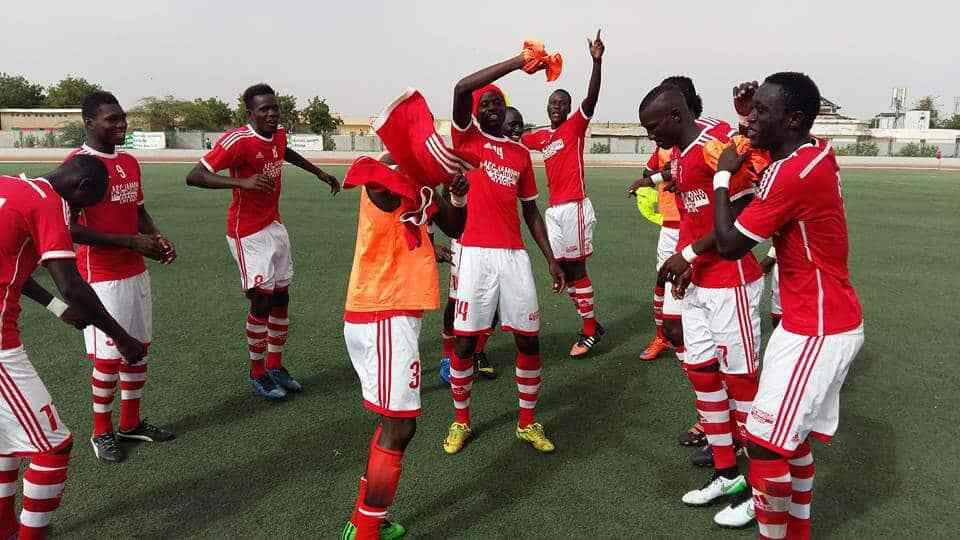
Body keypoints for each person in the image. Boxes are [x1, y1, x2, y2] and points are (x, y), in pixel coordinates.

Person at [712, 73, 864, 540]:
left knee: (763, 445)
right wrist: (751, 123)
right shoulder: (813, 153)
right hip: (807, 322)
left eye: (762, 111)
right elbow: (776, 155)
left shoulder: (790, 175)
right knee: (790, 443)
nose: (752, 117)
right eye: (751, 109)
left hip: (819, 329)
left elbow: (731, 244)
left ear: (793, 119)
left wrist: (722, 174)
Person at [1, 157, 147, 539]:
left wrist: (55, 308)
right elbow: (72, 284)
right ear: (81, 187)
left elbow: (14, 267)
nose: (78, 214)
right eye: (84, 205)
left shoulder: (9, 186)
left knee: (6, 444)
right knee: (53, 447)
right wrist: (123, 337)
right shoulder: (48, 201)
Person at [640, 84, 763, 528]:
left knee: (743, 386)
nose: (651, 135)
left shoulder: (714, 148)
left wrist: (688, 255)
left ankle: (759, 490)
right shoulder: (680, 154)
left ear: (675, 116)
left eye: (653, 126)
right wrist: (691, 262)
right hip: (697, 285)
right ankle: (728, 474)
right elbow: (698, 215)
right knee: (704, 376)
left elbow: (747, 210)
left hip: (730, 282)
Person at [442, 47, 566, 455]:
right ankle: (461, 421)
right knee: (465, 344)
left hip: (513, 257)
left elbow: (531, 210)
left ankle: (527, 423)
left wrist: (550, 257)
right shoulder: (467, 139)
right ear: (476, 112)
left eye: (499, 102)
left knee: (528, 341)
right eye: (487, 103)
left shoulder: (520, 154)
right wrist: (517, 63)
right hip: (474, 254)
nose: (494, 107)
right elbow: (462, 87)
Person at [340, 153, 469, 539]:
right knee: (400, 426)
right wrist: (425, 176)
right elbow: (383, 189)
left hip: (398, 312)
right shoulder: (381, 172)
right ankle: (365, 531)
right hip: (382, 311)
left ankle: (365, 521)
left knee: (393, 423)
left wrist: (455, 194)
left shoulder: (420, 180)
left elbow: (455, 226)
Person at [185, 83, 341, 401]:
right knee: (261, 301)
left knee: (281, 297)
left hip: (274, 225)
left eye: (274, 108)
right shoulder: (238, 140)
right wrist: (241, 181)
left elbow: (286, 152)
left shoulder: (279, 134)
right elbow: (195, 175)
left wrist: (318, 172)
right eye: (264, 109)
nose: (271, 114)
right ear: (250, 113)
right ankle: (257, 373)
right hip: (247, 233)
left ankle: (275, 366)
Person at [66, 91, 176, 464]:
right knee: (109, 358)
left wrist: (156, 238)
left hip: (135, 272)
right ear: (89, 123)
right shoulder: (77, 165)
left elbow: (139, 209)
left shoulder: (129, 161)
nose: (120, 125)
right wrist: (129, 241)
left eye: (122, 118)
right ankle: (101, 431)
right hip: (101, 279)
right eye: (110, 119)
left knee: (138, 349)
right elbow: (68, 230)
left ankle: (131, 423)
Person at [521, 30, 605, 357]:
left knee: (576, 269)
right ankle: (590, 323)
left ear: (569, 109)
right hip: (554, 212)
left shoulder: (575, 127)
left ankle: (589, 331)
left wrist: (596, 62)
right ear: (547, 107)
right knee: (562, 268)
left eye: (563, 104)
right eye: (553, 102)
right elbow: (513, 138)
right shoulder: (542, 137)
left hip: (575, 208)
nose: (557, 106)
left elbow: (592, 98)